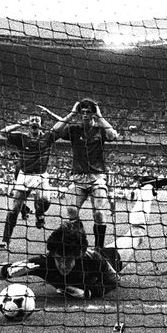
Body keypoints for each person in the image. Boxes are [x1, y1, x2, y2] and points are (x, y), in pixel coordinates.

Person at [0, 177, 167, 299]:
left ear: (78, 256)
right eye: (60, 260)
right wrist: (8, 271)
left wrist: (89, 293)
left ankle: (146, 188)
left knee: (137, 233)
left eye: (69, 260)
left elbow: (114, 280)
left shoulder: (94, 260)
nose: (63, 265)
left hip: (112, 256)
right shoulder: (44, 263)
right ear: (53, 255)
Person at [49, 98, 119, 250]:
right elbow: (54, 132)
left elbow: (113, 135)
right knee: (71, 210)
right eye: (83, 112)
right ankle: (81, 241)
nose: (85, 115)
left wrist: (99, 116)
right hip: (78, 177)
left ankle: (99, 249)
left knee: (99, 213)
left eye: (88, 112)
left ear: (93, 113)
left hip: (97, 177)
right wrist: (71, 114)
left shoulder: (100, 130)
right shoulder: (74, 130)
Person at [0, 114, 59, 249]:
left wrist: (51, 115)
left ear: (41, 124)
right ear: (28, 123)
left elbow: (62, 126)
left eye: (37, 120)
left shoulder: (48, 136)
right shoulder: (21, 137)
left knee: (45, 200)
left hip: (41, 175)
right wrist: (21, 122)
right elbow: (2, 132)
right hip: (24, 175)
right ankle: (5, 240)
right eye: (31, 120)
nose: (34, 122)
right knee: (14, 209)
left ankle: (39, 214)